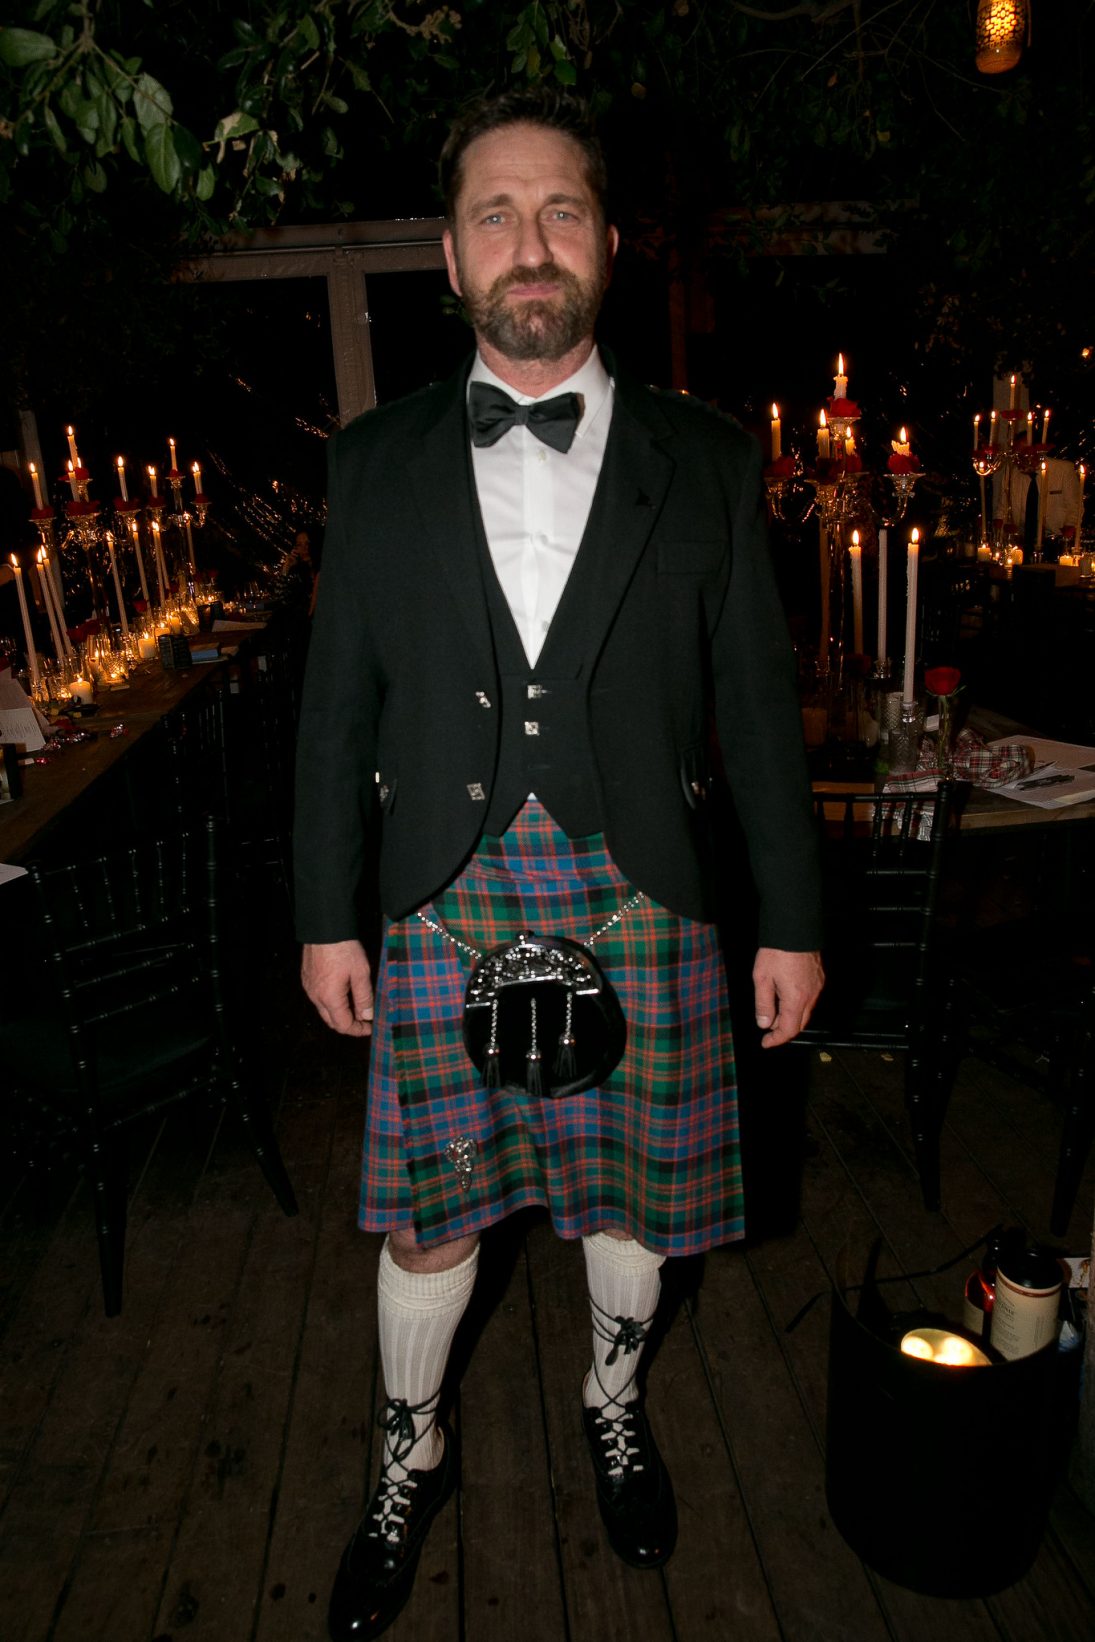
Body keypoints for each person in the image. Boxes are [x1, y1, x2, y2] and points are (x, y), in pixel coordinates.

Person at [294, 86, 824, 1642]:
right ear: (450, 259)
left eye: (562, 210)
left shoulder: (709, 459)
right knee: (432, 1217)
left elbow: (755, 711)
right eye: (495, 215)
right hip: (444, 891)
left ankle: (613, 1393)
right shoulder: (373, 461)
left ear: (608, 242)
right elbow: (337, 711)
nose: (531, 244)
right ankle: (412, 1446)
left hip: (648, 882)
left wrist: (788, 916)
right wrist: (328, 911)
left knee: (635, 1202)